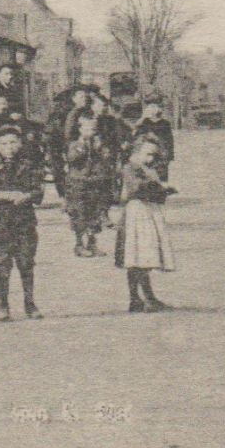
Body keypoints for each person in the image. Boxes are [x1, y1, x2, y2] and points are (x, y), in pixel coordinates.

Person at [0, 125, 45, 321]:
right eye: (4, 143)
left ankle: (30, 303)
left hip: (24, 222)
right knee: (2, 265)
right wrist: (3, 194)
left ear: (19, 144)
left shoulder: (28, 166)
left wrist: (26, 196)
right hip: (0, 222)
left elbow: (38, 193)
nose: (8, 147)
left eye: (12, 142)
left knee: (26, 263)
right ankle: (3, 305)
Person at [117, 137, 177, 312]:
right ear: (136, 152)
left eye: (154, 155)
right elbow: (136, 188)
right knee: (134, 257)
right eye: (148, 154)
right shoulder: (129, 168)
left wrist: (165, 191)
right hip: (136, 214)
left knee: (144, 257)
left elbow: (153, 193)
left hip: (148, 213)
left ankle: (148, 297)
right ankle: (135, 298)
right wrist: (159, 187)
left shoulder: (149, 169)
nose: (151, 158)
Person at [65, 113, 116, 257]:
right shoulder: (75, 145)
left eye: (94, 128)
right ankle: (79, 244)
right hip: (79, 184)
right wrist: (84, 147)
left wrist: (100, 149)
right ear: (80, 129)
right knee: (80, 214)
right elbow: (72, 159)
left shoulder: (99, 144)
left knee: (94, 214)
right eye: (88, 128)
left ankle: (92, 243)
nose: (92, 131)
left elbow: (107, 158)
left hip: (96, 182)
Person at [133, 98, 175, 181]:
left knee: (159, 174)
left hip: (159, 151)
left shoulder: (163, 123)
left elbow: (169, 139)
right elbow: (136, 133)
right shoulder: (146, 121)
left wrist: (169, 154)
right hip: (152, 151)